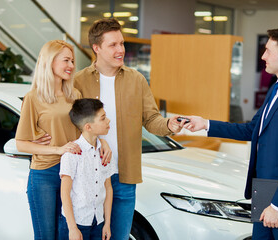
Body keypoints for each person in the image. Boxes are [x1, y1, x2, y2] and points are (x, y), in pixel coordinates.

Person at [184, 27, 278, 240]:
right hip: (263, 192)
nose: (263, 56)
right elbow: (251, 130)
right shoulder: (276, 89)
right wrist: (206, 124)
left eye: (267, 50)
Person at [73, 18, 185, 239]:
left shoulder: (137, 80)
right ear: (96, 48)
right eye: (113, 45)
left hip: (124, 176)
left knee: (119, 236)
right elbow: (71, 125)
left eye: (122, 43)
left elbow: (151, 118)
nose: (120, 50)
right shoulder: (79, 81)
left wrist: (169, 125)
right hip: (88, 176)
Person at [15, 40, 82, 239]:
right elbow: (21, 143)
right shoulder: (33, 98)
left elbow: (84, 133)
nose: (71, 66)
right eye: (66, 60)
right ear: (49, 61)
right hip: (44, 174)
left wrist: (102, 142)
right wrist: (58, 149)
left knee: (66, 234)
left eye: (72, 61)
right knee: (46, 236)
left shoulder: (75, 96)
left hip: (72, 172)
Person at [59, 98, 114, 240]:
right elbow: (64, 193)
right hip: (77, 222)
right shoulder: (72, 154)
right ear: (88, 127)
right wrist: (72, 228)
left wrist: (106, 223)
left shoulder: (105, 152)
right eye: (103, 118)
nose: (108, 120)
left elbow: (108, 188)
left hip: (98, 222)